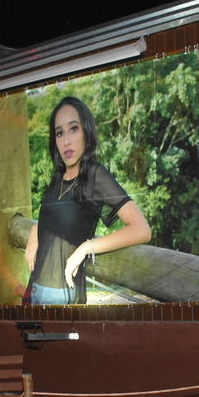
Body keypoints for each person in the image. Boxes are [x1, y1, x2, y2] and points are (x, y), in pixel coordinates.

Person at [24, 97, 151, 304]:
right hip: (34, 289)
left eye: (73, 129)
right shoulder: (58, 176)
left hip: (62, 295)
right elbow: (58, 219)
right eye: (59, 133)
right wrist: (35, 229)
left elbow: (141, 229)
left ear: (87, 131)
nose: (66, 141)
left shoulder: (95, 175)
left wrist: (85, 248)